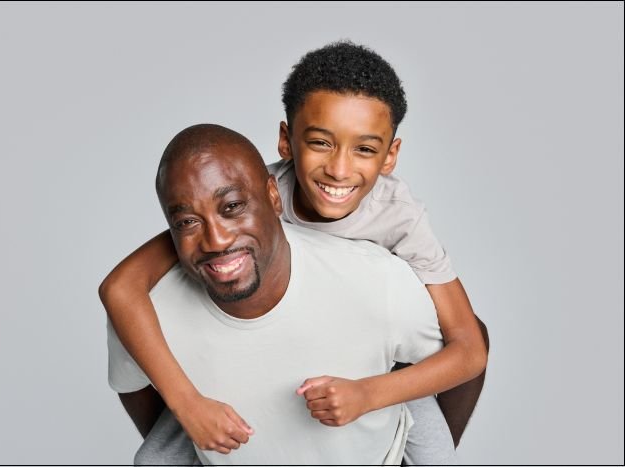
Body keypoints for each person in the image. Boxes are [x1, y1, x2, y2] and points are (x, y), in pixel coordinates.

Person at [100, 41, 489, 463]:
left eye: (364, 149)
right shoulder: (247, 198)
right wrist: (187, 402)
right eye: (321, 143)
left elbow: (470, 346)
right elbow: (123, 286)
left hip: (373, 361)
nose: (339, 170)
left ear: (390, 155)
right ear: (286, 141)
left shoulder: (399, 217)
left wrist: (369, 393)